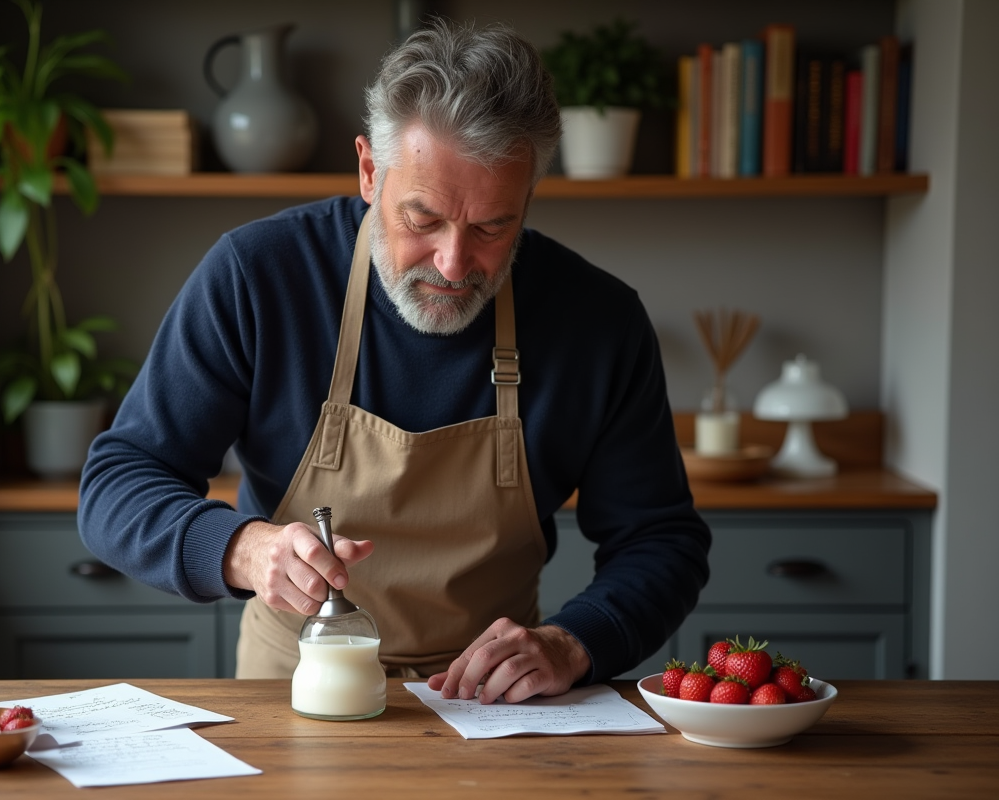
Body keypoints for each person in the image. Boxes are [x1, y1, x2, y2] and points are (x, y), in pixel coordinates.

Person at [78, 19, 710, 705]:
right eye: (423, 219)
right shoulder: (257, 276)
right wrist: (243, 550)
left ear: (528, 198)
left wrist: (574, 642)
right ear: (369, 171)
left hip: (498, 704)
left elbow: (661, 540)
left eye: (494, 227)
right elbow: (118, 482)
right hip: (294, 686)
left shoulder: (598, 321)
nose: (453, 262)